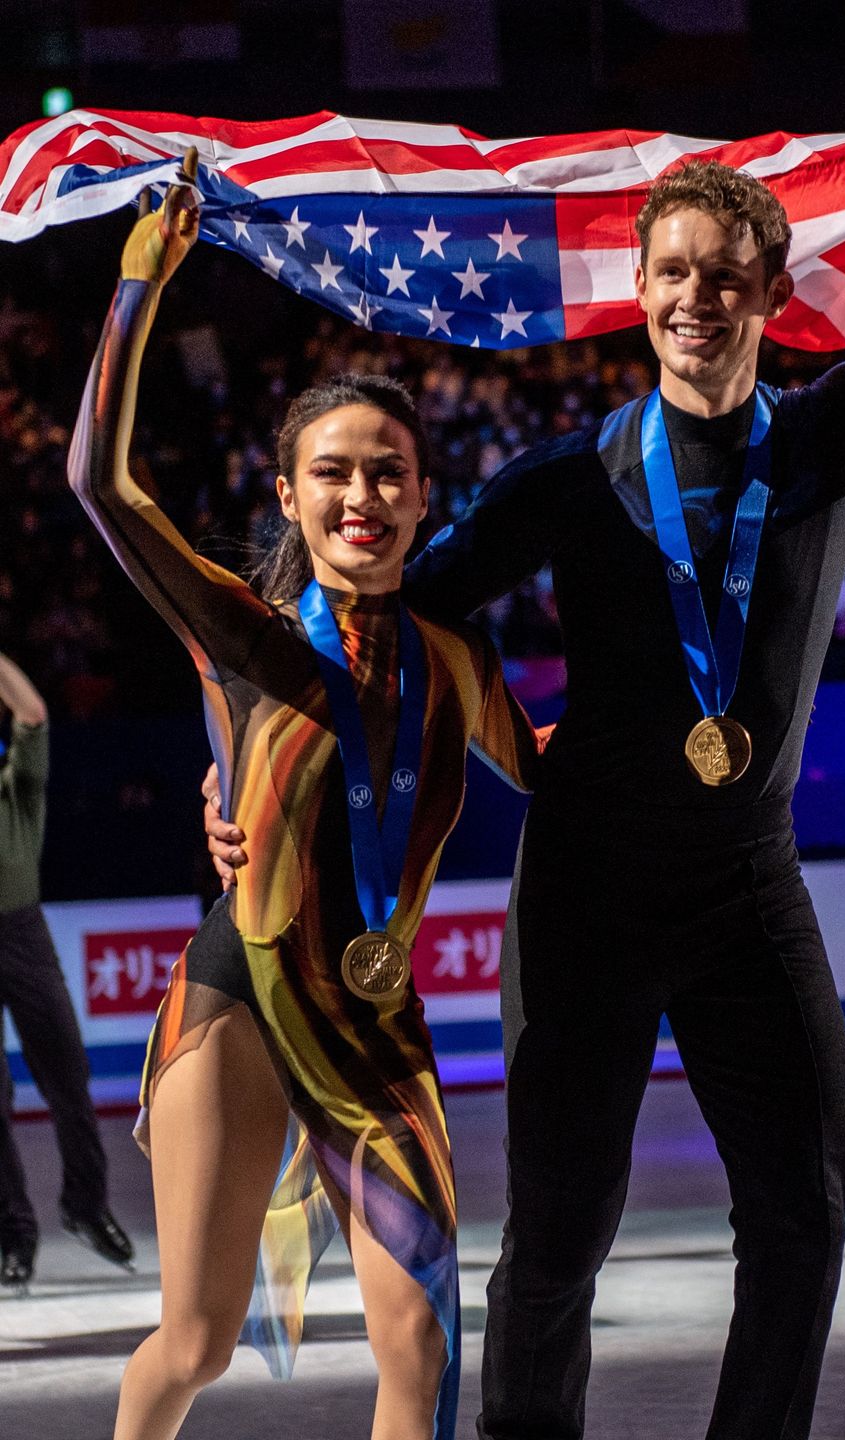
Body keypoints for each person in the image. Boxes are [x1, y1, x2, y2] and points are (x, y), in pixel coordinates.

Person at [208, 159, 845, 1440]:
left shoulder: (837, 429)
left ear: (772, 293)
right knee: (559, 1239)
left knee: (802, 1214)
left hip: (746, 883)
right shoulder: (569, 477)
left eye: (727, 277)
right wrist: (240, 768)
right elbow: (369, 622)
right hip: (588, 891)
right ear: (641, 287)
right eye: (674, 272)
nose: (697, 299)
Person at [68, 169, 541, 1440]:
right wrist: (138, 286)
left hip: (379, 1026)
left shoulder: (455, 662)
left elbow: (551, 771)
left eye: (390, 475)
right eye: (333, 475)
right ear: (288, 499)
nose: (363, 499)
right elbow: (103, 490)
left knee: (425, 1343)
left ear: (425, 498)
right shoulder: (248, 638)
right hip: (239, 1001)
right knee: (197, 1341)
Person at [0, 649, 134, 1292]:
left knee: (68, 1078)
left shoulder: (16, 783)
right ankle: (14, 1235)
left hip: (22, 932)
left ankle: (84, 1205)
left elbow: (32, 710)